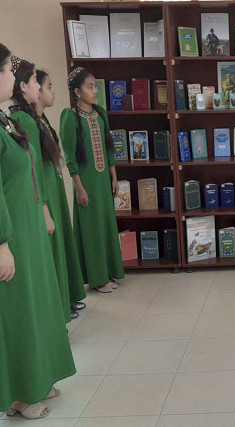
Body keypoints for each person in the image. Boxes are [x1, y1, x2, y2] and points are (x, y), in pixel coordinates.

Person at [0, 48, 76, 419]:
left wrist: (41, 209)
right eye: (6, 70)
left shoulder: (6, 121)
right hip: (11, 234)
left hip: (27, 226)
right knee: (19, 310)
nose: (12, 77)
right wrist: (2, 243)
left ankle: (38, 376)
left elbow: (28, 173)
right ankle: (19, 393)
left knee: (37, 304)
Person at [10, 61, 86, 322]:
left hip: (49, 189)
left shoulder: (36, 119)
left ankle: (64, 300)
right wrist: (42, 204)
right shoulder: (23, 119)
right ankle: (58, 308)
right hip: (42, 193)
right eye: (43, 84)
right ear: (25, 86)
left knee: (59, 246)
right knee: (51, 249)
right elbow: (32, 167)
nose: (50, 91)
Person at [59, 67, 124, 293]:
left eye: (95, 86)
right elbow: (70, 157)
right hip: (86, 183)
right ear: (77, 92)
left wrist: (113, 177)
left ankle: (108, 272)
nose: (95, 91)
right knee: (91, 229)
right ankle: (97, 279)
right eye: (89, 87)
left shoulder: (100, 114)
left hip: (103, 182)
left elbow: (108, 149)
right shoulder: (70, 118)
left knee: (106, 225)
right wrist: (79, 188)